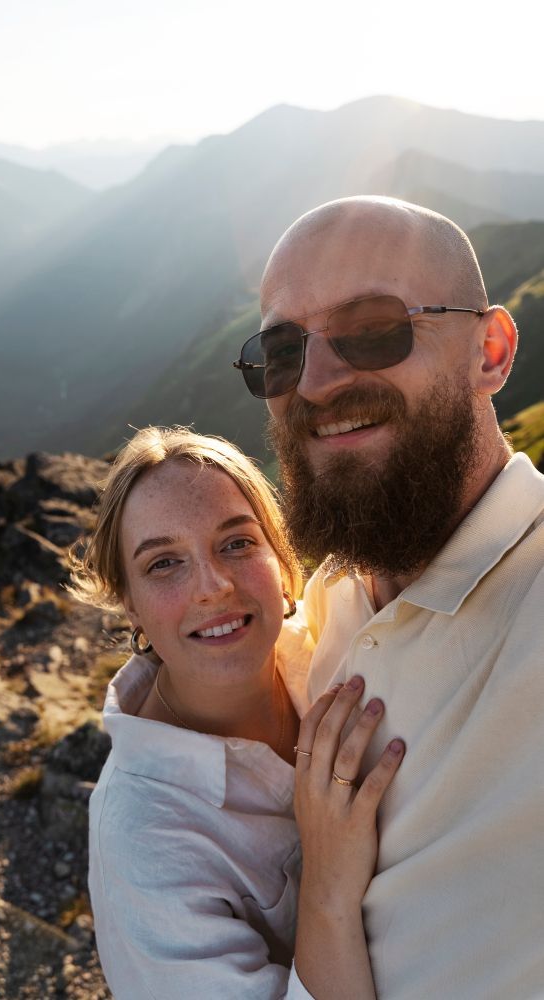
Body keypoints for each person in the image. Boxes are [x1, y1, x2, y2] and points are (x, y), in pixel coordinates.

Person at [233, 195, 544, 998]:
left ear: (492, 351)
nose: (318, 383)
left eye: (374, 329)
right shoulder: (329, 604)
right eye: (282, 351)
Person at [70, 426, 405, 999]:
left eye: (237, 544)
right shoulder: (142, 838)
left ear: (281, 558)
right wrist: (326, 885)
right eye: (163, 564)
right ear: (129, 603)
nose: (213, 586)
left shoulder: (344, 646)